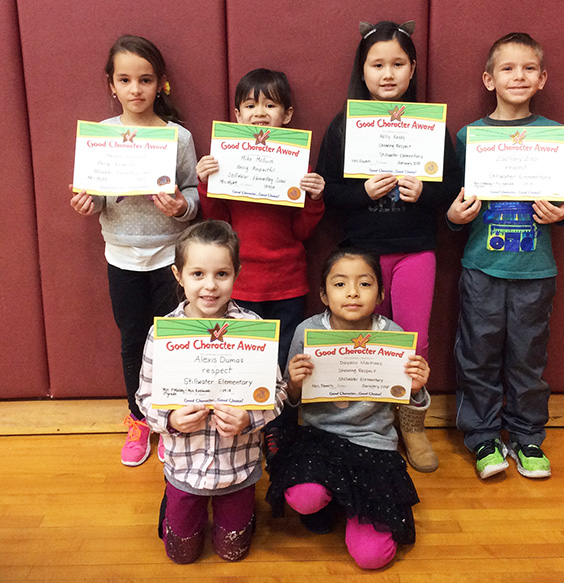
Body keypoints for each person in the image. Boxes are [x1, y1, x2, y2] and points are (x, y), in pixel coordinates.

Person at [316, 21, 462, 473]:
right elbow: (328, 193)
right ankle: (371, 422)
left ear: (412, 68)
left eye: (398, 64)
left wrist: (428, 193)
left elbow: (455, 189)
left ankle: (411, 426)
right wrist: (364, 192)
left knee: (411, 342)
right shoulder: (344, 125)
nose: (387, 74)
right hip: (363, 252)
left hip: (416, 247)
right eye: (377, 64)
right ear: (363, 70)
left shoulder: (431, 127)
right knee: (361, 341)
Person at [447, 32, 564, 480]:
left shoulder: (552, 137)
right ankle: (482, 437)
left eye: (528, 69)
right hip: (483, 266)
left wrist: (563, 211)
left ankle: (526, 438)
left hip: (535, 270)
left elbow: (562, 202)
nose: (518, 76)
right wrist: (454, 216)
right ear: (488, 79)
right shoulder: (469, 137)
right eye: (507, 68)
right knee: (477, 354)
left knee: (527, 358)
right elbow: (452, 203)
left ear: (542, 79)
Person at [69, 35, 199, 467]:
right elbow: (98, 194)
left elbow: (192, 192)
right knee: (132, 341)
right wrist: (89, 203)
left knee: (171, 339)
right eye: (125, 80)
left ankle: (174, 418)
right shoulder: (101, 136)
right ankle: (139, 418)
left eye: (144, 79)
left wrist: (183, 207)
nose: (135, 89)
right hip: (121, 257)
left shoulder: (177, 137)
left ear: (160, 84)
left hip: (168, 258)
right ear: (112, 84)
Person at [266, 248, 430, 570]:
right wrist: (295, 384)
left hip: (373, 443)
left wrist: (416, 389)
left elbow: (405, 401)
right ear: (324, 295)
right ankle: (327, 502)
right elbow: (291, 400)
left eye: (365, 284)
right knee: (304, 496)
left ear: (380, 294)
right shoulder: (307, 332)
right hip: (320, 438)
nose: (353, 292)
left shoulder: (393, 336)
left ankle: (350, 504)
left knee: (373, 557)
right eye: (340, 284)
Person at [136, 220, 287, 564]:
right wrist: (170, 419)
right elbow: (144, 398)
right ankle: (173, 505)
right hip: (184, 468)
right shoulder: (162, 335)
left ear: (237, 273)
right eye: (198, 274)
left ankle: (234, 513)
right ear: (178, 275)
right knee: (182, 555)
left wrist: (250, 417)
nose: (210, 286)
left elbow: (276, 393)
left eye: (222, 274)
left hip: (237, 467)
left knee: (233, 552)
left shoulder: (254, 331)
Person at [196, 68, 325, 371]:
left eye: (270, 105)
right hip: (241, 283)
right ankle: (248, 419)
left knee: (285, 360)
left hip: (287, 283)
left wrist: (315, 199)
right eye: (251, 106)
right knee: (245, 361)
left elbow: (302, 231)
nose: (260, 114)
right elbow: (218, 223)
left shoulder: (297, 164)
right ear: (238, 115)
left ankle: (282, 419)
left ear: (287, 113)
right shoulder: (224, 161)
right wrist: (205, 183)